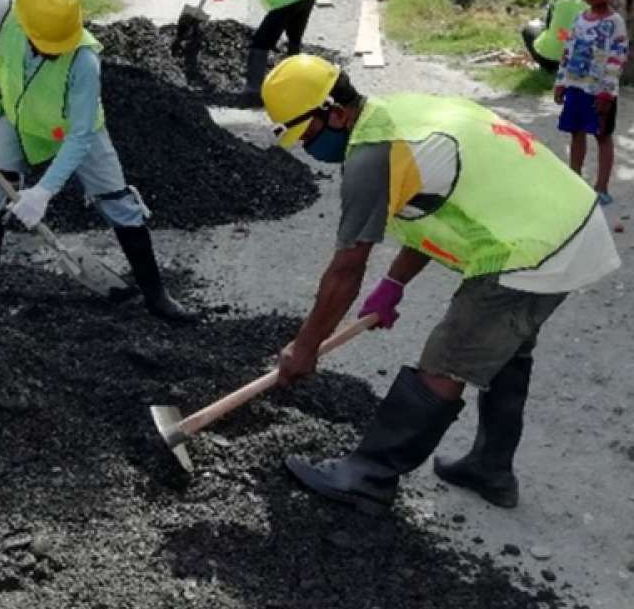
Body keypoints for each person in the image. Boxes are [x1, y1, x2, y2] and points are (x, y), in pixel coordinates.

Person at [260, 55, 618, 515]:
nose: (309, 147)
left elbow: (346, 268)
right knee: (505, 350)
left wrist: (305, 345)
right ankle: (490, 469)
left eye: (307, 135)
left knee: (449, 356)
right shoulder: (400, 114)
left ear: (336, 112)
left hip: (534, 245)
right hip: (566, 222)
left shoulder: (373, 153)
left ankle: (368, 475)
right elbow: (436, 208)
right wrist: (394, 283)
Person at [0, 0, 196, 324]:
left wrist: (43, 192)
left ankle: (156, 295)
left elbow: (80, 135)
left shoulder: (85, 60)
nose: (52, 53)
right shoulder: (7, 9)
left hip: (76, 128)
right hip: (19, 121)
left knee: (120, 203)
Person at [554, 0, 628, 206]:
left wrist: (607, 92)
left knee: (602, 136)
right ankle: (573, 180)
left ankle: (602, 187)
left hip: (600, 92)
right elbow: (569, 51)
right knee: (576, 134)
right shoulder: (579, 19)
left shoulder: (614, 23)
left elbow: (617, 57)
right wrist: (561, 81)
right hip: (576, 87)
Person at [522, 0, 587, 73]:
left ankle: (547, 66)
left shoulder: (558, 3)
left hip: (547, 60)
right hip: (576, 64)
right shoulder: (593, 9)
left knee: (529, 29)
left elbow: (549, 27)